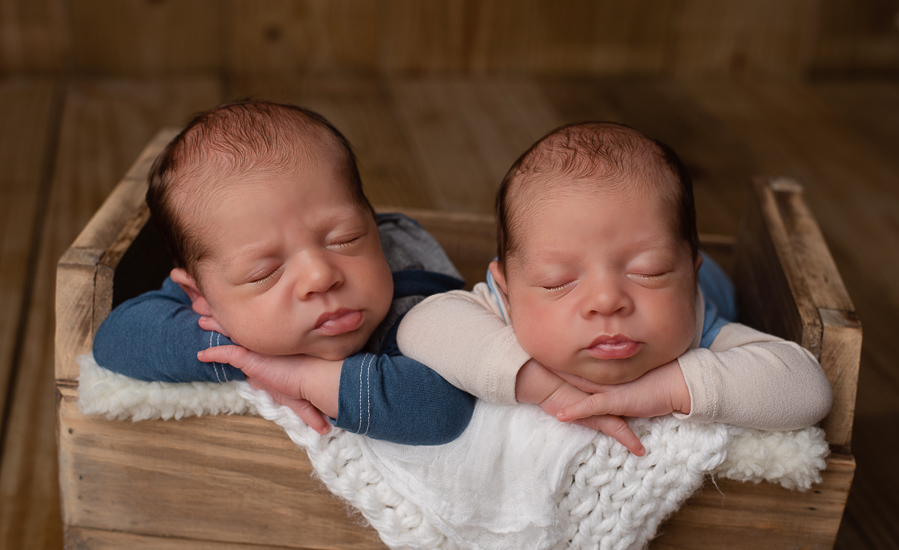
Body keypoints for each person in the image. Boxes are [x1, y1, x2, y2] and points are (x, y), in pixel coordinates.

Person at [388, 121, 833, 451]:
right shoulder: (503, 307)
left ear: (689, 275)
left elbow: (808, 389)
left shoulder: (699, 325)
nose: (607, 300)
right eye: (557, 282)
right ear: (505, 288)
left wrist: (670, 388)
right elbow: (421, 324)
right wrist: (535, 382)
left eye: (651, 271)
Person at [92, 99, 479, 445]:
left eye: (345, 239)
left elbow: (441, 409)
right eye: (265, 273)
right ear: (201, 297)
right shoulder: (220, 291)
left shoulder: (412, 298)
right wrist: (242, 357)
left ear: (373, 226)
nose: (320, 277)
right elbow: (116, 338)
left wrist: (300, 376)